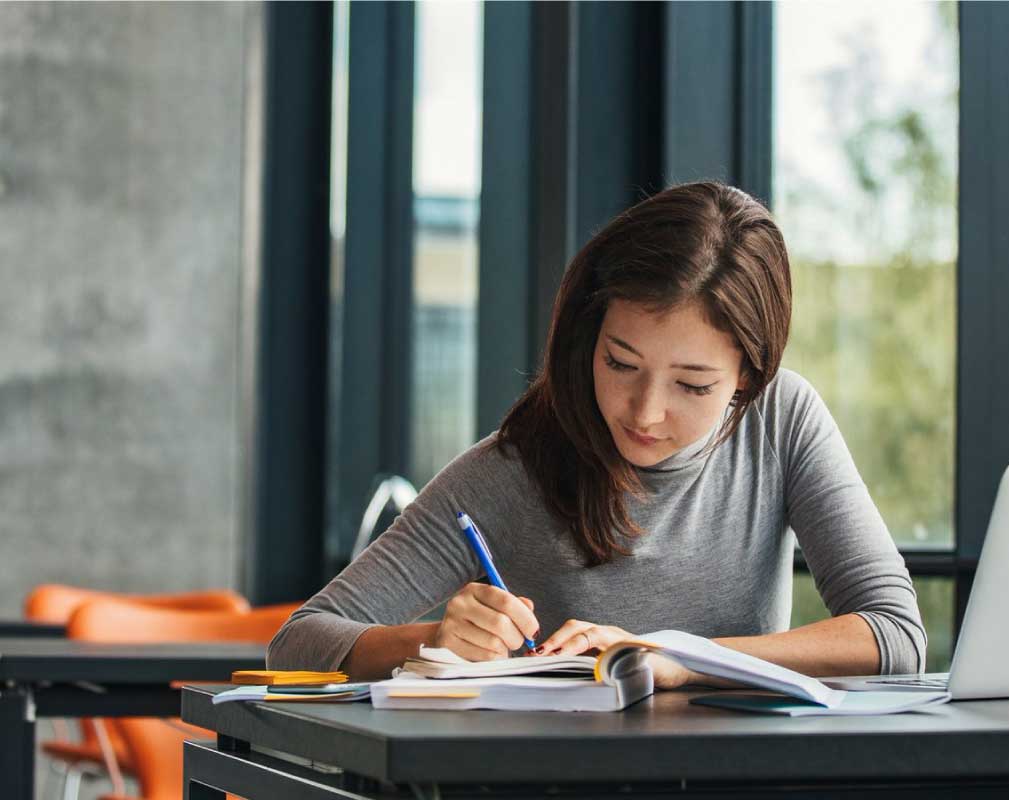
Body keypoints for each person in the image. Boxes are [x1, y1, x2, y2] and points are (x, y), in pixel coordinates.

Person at [268, 181, 926, 687]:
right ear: (588, 338)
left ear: (748, 379)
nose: (644, 412)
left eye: (692, 386)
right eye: (620, 363)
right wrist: (433, 639)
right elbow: (298, 642)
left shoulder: (781, 421)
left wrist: (672, 656)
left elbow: (894, 635)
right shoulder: (514, 468)